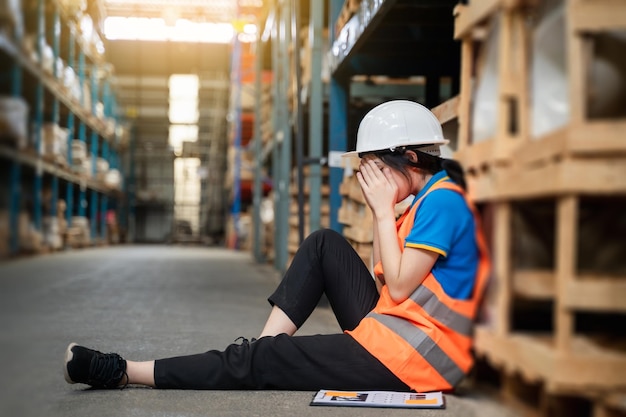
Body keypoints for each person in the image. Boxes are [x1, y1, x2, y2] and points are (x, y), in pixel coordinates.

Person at [64, 100, 490, 392]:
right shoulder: (423, 201)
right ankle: (261, 352)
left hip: (416, 359)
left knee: (262, 363)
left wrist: (381, 213)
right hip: (397, 329)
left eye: (375, 169)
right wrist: (389, 213)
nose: (368, 180)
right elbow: (385, 283)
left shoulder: (445, 204)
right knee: (324, 243)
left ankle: (124, 373)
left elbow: (396, 290)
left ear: (410, 159)